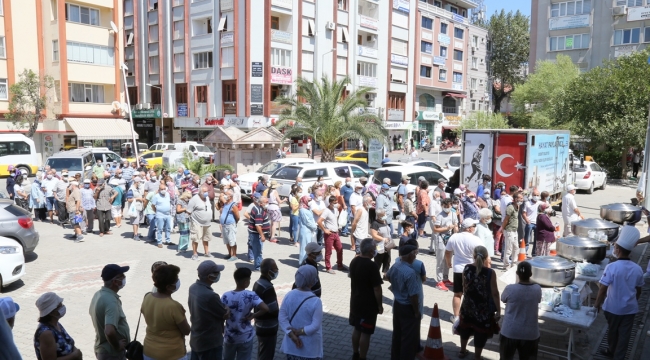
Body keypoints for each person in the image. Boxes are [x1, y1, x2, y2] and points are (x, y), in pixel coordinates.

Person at [594, 226, 644, 360]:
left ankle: (611, 350)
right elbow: (639, 290)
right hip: (629, 309)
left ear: (618, 250)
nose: (614, 249)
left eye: (615, 247)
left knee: (612, 331)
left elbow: (603, 288)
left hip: (612, 308)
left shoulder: (611, 267)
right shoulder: (638, 269)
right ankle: (619, 356)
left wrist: (597, 304)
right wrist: (633, 301)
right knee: (625, 335)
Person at [457, 246, 500, 360]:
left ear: (474, 255)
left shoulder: (466, 268)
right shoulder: (490, 272)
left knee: (465, 327)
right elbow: (495, 293)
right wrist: (499, 310)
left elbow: (464, 285)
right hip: (483, 308)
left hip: (468, 305)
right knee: (480, 331)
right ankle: (477, 356)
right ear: (486, 257)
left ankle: (462, 351)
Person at [141, 264, 191, 360]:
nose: (178, 282)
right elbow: (186, 330)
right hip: (172, 354)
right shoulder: (174, 306)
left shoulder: (147, 297)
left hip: (149, 351)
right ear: (168, 287)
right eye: (176, 280)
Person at [221, 268, 270, 359]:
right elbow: (265, 308)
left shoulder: (226, 295)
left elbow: (220, 315)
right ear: (245, 282)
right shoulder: (250, 295)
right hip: (245, 336)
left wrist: (222, 329)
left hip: (229, 337)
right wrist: (254, 315)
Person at [349, 238, 384, 360]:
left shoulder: (354, 261)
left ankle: (355, 353)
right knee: (366, 333)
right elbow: (377, 288)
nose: (375, 250)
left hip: (355, 302)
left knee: (357, 329)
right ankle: (363, 357)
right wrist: (380, 305)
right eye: (374, 248)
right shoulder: (372, 266)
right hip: (368, 306)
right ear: (370, 251)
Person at [279, 265, 323, 360]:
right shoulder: (316, 301)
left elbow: (282, 317)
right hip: (310, 349)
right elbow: (315, 325)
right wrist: (299, 332)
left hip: (291, 346)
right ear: (312, 280)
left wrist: (291, 334)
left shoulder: (289, 295)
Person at [499, 261, 542, 360]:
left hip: (510, 331)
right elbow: (538, 300)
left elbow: (503, 299)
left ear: (517, 273)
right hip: (530, 333)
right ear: (531, 274)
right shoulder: (537, 289)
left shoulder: (510, 289)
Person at [188, 260, 229, 360]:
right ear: (210, 277)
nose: (219, 274)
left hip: (196, 339)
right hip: (210, 343)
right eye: (216, 273)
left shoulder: (193, 287)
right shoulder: (211, 296)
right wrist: (227, 308)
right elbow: (225, 315)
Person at [386, 244, 421, 360]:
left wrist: (397, 288)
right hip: (407, 307)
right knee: (408, 339)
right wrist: (416, 312)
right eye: (414, 254)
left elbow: (388, 276)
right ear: (410, 256)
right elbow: (413, 296)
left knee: (397, 334)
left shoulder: (396, 265)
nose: (415, 256)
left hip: (397, 304)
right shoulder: (410, 273)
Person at [445, 218, 483, 323]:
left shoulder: (454, 237)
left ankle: (456, 317)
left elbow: (447, 252)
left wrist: (448, 262)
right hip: (472, 270)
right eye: (474, 226)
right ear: (469, 228)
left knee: (457, 294)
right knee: (471, 294)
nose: (475, 228)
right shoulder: (476, 240)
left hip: (458, 269)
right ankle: (470, 316)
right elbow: (482, 256)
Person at [89, 264, 131, 360]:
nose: (124, 278)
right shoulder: (111, 301)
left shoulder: (99, 294)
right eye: (122, 276)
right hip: (111, 354)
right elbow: (109, 331)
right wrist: (117, 345)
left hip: (102, 349)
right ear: (115, 281)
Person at [33, 292, 82, 360]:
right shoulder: (46, 334)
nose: (63, 307)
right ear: (51, 312)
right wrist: (74, 355)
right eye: (60, 306)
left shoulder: (56, 324)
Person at [253, 259, 280, 360]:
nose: (277, 270)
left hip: (260, 325)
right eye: (275, 268)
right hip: (268, 327)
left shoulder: (258, 283)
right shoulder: (268, 287)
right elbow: (272, 310)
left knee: (262, 352)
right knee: (266, 355)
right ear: (269, 271)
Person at [318, 195, 346, 274]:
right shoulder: (326, 211)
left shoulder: (335, 209)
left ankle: (340, 265)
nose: (336, 204)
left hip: (336, 233)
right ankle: (328, 267)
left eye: (336, 202)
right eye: (334, 203)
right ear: (330, 203)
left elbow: (341, 205)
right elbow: (319, 221)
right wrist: (325, 230)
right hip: (329, 234)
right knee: (328, 251)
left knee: (340, 248)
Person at [187, 185, 214, 260]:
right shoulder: (194, 199)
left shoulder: (207, 198)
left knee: (206, 238)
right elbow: (188, 211)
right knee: (196, 239)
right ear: (200, 192)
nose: (206, 193)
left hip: (207, 223)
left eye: (207, 191)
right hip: (197, 222)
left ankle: (206, 252)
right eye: (205, 192)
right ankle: (195, 253)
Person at [500, 191, 523, 269]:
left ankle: (514, 264)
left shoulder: (517, 207)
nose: (522, 200)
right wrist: (502, 228)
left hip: (514, 230)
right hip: (509, 230)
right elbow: (506, 219)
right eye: (521, 198)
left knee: (516, 248)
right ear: (516, 199)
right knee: (508, 249)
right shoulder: (510, 207)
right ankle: (506, 265)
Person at [248, 196, 271, 271]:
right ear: (261, 203)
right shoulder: (258, 211)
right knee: (258, 251)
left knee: (258, 250)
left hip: (256, 233)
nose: (267, 203)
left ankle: (259, 263)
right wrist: (262, 235)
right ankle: (258, 267)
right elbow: (258, 225)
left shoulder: (260, 208)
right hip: (256, 234)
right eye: (266, 202)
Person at [370, 208, 392, 278]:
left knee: (387, 260)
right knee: (378, 261)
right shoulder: (375, 223)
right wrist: (383, 239)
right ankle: (375, 275)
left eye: (385, 214)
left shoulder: (384, 221)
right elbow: (374, 235)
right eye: (383, 215)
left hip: (387, 245)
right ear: (378, 216)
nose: (385, 215)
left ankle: (386, 275)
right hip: (379, 245)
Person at [150, 183, 173, 248]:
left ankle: (168, 240)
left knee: (168, 228)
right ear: (159, 190)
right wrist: (157, 211)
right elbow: (153, 205)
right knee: (160, 229)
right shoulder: (156, 196)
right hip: (160, 215)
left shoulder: (168, 194)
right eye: (161, 189)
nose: (163, 190)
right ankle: (159, 242)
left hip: (167, 214)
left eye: (164, 189)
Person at [220, 188, 239, 261]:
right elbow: (221, 197)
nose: (225, 196)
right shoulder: (225, 203)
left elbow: (238, 216)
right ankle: (229, 254)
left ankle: (234, 255)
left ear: (230, 196)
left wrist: (234, 222)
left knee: (232, 240)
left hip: (230, 225)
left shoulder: (233, 205)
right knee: (226, 241)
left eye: (226, 194)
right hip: (224, 225)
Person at [297, 195, 318, 265]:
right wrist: (314, 226)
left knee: (308, 247)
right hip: (305, 231)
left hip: (309, 230)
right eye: (308, 201)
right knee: (304, 247)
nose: (310, 202)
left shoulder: (307, 209)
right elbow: (307, 221)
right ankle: (302, 262)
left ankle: (307, 261)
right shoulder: (302, 210)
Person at [523, 188, 540, 257]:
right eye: (534, 195)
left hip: (537, 223)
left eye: (537, 195)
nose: (536, 196)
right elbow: (524, 213)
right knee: (527, 239)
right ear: (532, 195)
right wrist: (527, 220)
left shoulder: (539, 203)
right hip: (529, 223)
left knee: (536, 239)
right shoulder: (527, 203)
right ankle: (524, 252)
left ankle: (534, 253)